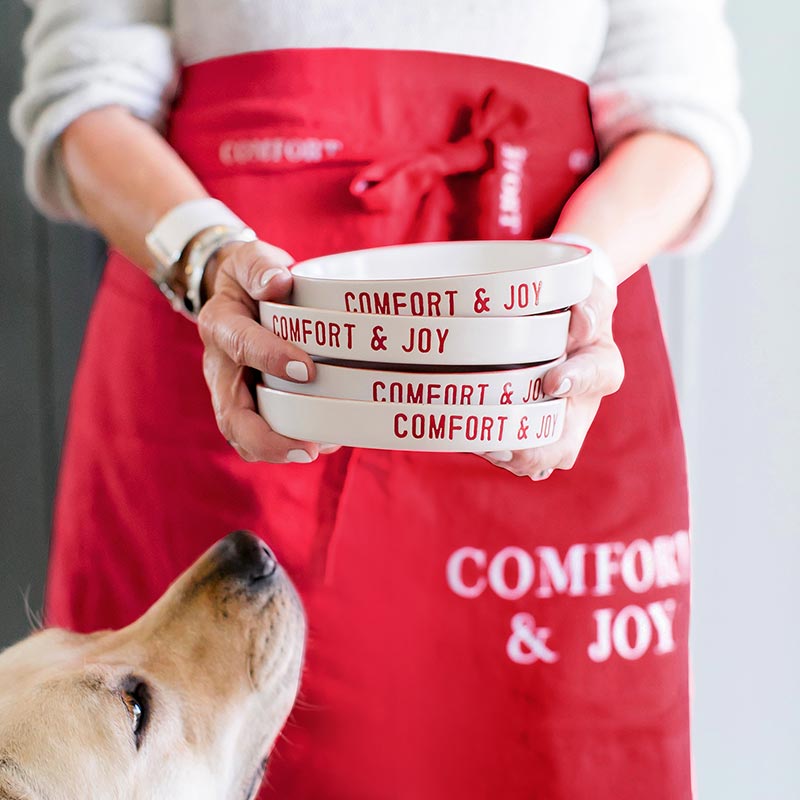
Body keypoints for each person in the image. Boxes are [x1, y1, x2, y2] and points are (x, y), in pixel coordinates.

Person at [10, 2, 748, 798]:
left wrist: (577, 282)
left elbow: (682, 109)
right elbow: (85, 87)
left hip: (539, 365)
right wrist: (204, 258)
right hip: (236, 361)